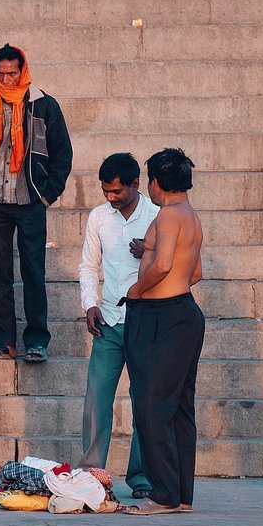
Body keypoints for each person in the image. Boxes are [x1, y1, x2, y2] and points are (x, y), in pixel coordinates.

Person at [0, 44, 72, 363]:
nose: (6, 79)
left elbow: (62, 155)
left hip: (30, 201)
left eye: (11, 73)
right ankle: (3, 342)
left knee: (33, 272)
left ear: (22, 70)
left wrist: (47, 194)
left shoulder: (44, 106)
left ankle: (37, 341)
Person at [122, 148, 205, 516]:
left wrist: (137, 292)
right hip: (183, 312)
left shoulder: (169, 215)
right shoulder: (191, 215)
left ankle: (165, 494)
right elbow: (195, 272)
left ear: (156, 182)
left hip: (162, 316)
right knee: (179, 408)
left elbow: (165, 264)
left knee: (151, 403)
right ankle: (180, 494)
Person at [78, 154, 160, 496]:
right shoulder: (99, 217)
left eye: (116, 192)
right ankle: (91, 472)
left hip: (146, 319)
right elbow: (88, 266)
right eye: (105, 191)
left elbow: (179, 265)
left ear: (135, 185)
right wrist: (90, 304)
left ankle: (140, 477)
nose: (110, 198)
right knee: (97, 398)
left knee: (144, 400)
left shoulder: (157, 216)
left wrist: (152, 252)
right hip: (108, 320)